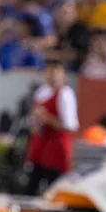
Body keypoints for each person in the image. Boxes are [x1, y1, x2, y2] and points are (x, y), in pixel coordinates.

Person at [24, 57, 79, 195]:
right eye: (48, 72)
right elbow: (33, 125)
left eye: (55, 72)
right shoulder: (41, 92)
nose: (51, 76)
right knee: (31, 188)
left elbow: (70, 127)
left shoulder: (65, 94)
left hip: (56, 151)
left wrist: (47, 118)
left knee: (53, 190)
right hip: (40, 149)